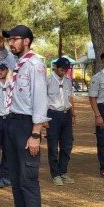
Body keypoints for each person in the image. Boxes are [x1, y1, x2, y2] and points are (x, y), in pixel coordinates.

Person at [0, 25, 49, 207]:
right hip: (11, 123)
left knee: (28, 181)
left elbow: (40, 100)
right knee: (16, 180)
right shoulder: (19, 63)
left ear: (26, 41)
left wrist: (35, 133)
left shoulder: (35, 65)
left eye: (15, 39)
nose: (11, 43)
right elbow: (6, 58)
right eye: (10, 40)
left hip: (27, 126)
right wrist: (1, 48)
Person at [46, 57, 76, 186]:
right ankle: (55, 174)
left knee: (67, 144)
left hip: (66, 114)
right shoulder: (47, 80)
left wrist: (73, 114)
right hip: (53, 114)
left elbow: (70, 98)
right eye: (62, 69)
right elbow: (41, 100)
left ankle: (63, 171)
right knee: (53, 145)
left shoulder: (68, 81)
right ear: (56, 68)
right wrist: (43, 119)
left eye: (66, 70)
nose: (64, 72)